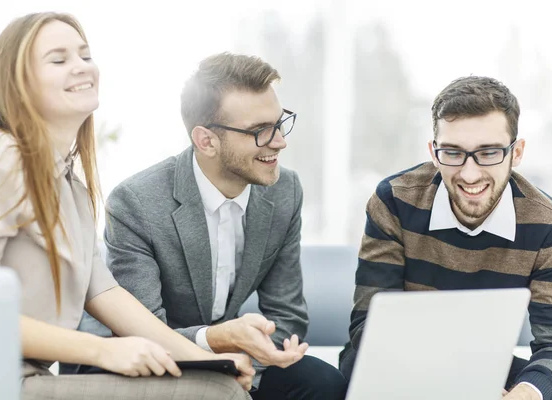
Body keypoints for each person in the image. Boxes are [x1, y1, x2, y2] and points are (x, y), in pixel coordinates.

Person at [0, 12, 254, 400]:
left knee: (219, 385)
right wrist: (104, 350)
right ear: (17, 83)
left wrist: (207, 359)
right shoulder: (0, 156)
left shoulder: (70, 184)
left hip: (21, 378)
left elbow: (104, 293)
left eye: (85, 55)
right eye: (58, 60)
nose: (81, 68)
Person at [74, 52, 347, 400]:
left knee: (322, 383)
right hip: (139, 360)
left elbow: (288, 316)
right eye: (260, 131)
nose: (280, 141)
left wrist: (246, 363)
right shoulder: (136, 203)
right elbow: (143, 332)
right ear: (205, 141)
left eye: (280, 123)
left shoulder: (285, 191)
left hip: (231, 357)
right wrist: (216, 353)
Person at [339, 76, 552, 400]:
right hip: (396, 359)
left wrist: (525, 394)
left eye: (489, 152)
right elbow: (367, 326)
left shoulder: (551, 227)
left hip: (486, 362)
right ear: (433, 152)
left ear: (516, 152)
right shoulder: (394, 200)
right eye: (452, 153)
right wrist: (449, 385)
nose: (469, 173)